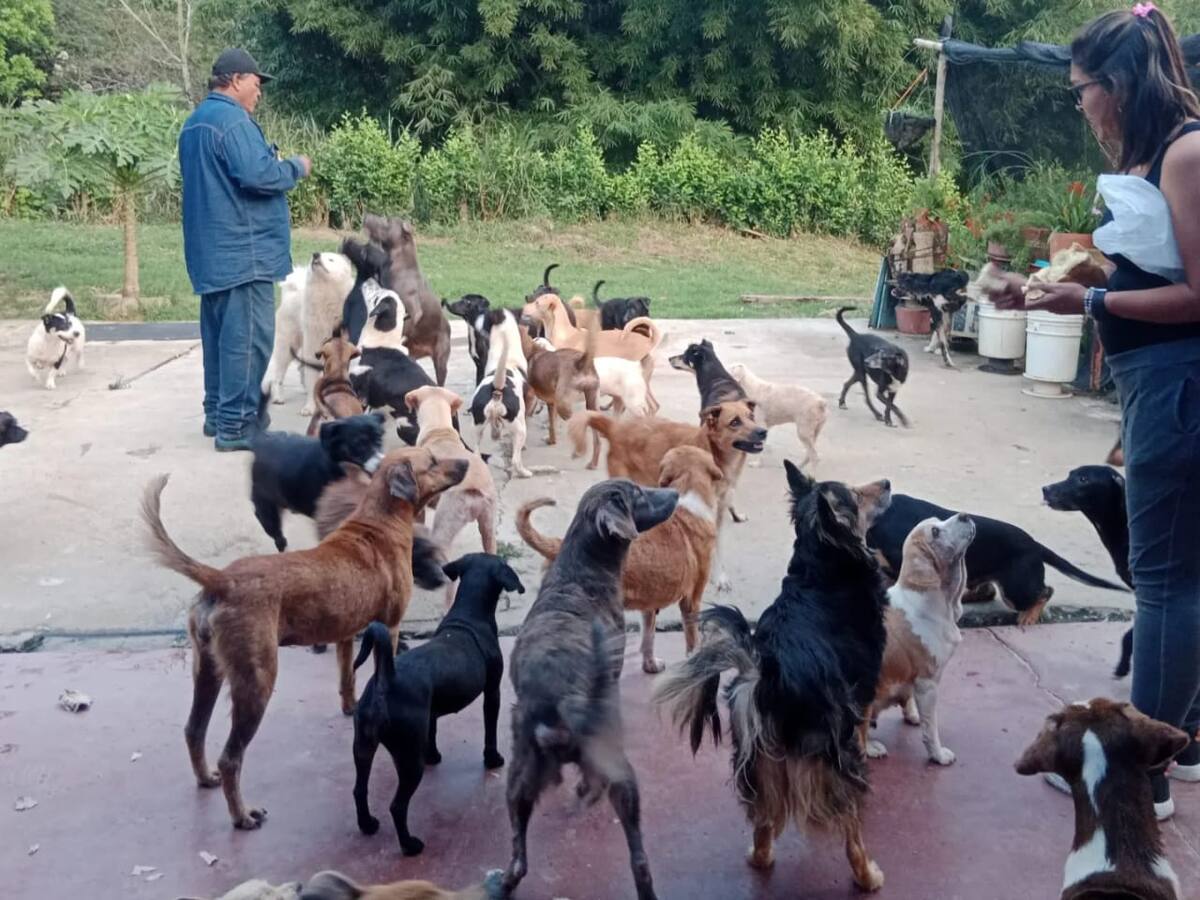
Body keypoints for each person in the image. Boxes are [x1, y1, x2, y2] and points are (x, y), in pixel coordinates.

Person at [987, 3, 1200, 819]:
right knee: (1181, 581)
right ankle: (1179, 744)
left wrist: (1098, 297)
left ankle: (1135, 776)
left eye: (1082, 90)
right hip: (1162, 382)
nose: (1079, 105)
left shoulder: (1185, 155)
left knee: (1167, 586)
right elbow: (1151, 283)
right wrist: (1077, 296)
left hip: (1180, 386)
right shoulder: (1160, 154)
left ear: (1118, 84)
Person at [179, 49, 311, 451]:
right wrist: (294, 167)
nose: (259, 92)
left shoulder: (194, 123)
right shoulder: (234, 121)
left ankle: (218, 414)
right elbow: (258, 175)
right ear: (235, 80)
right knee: (248, 341)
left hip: (211, 252)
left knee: (221, 338)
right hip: (244, 251)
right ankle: (237, 426)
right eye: (257, 83)